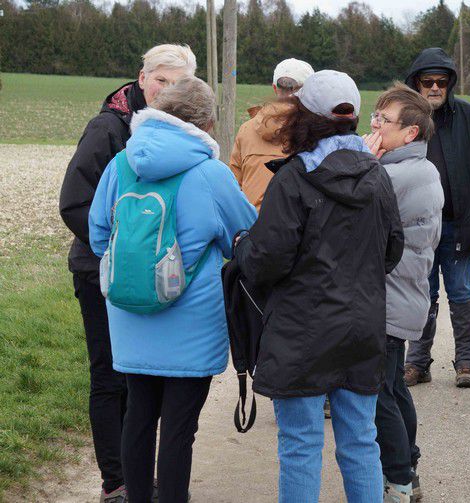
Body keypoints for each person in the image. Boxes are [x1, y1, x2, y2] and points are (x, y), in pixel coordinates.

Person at [233, 70, 404, 503]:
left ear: (304, 117)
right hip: (362, 326)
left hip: (301, 332)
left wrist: (242, 248)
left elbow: (266, 261)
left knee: (301, 444)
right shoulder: (378, 176)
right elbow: (392, 251)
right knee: (361, 440)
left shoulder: (292, 178)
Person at [89, 76, 256, 503]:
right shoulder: (210, 172)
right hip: (191, 323)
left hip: (129, 315)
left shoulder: (122, 163)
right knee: (179, 430)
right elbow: (245, 238)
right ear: (205, 122)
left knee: (138, 419)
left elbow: (97, 235)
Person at [58, 43, 197, 503]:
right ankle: (115, 481)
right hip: (100, 270)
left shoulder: (177, 133)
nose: (166, 90)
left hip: (152, 278)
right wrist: (121, 250)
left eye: (177, 83)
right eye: (160, 80)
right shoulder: (109, 127)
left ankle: (140, 479)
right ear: (142, 78)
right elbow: (74, 201)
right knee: (110, 377)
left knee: (141, 381)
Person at [363, 83, 443, 503]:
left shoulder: (394, 174)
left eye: (383, 120)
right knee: (393, 385)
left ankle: (400, 479)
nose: (374, 125)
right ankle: (408, 464)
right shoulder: (408, 168)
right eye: (374, 115)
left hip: (388, 298)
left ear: (410, 133)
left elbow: (352, 211)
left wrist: (358, 162)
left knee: (379, 394)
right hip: (400, 295)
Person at [403, 47, 470, 388]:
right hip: (416, 229)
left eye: (441, 82)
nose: (434, 88)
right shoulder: (405, 123)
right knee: (421, 294)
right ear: (416, 83)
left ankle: (466, 361)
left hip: (459, 225)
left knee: (461, 291)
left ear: (450, 84)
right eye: (427, 81)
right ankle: (417, 363)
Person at [230, 58, 314, 211]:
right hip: (297, 227)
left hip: (252, 225)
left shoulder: (246, 129)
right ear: (309, 91)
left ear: (275, 88)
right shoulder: (316, 131)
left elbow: (233, 186)